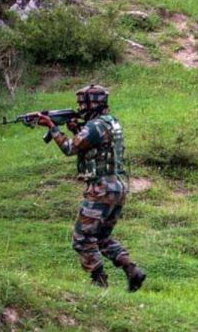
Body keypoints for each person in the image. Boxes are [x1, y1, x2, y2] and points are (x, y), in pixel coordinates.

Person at [36, 85, 145, 291]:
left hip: (101, 187)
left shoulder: (94, 126)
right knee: (102, 237)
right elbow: (96, 146)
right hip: (118, 186)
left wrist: (52, 127)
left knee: (82, 238)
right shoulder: (110, 122)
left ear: (92, 103)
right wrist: (77, 129)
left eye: (82, 104)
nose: (80, 107)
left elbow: (69, 148)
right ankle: (132, 270)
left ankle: (99, 282)